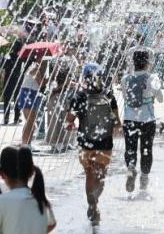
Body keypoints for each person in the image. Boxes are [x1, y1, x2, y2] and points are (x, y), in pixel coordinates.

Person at [66, 63, 121, 227]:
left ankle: (92, 203)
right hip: (105, 143)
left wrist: (71, 125)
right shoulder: (109, 95)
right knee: (101, 175)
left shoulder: (79, 97)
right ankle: (95, 202)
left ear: (84, 77)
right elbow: (117, 122)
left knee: (90, 174)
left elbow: (69, 120)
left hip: (85, 144)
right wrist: (114, 127)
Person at [0, 146, 56, 234]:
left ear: (2, 175)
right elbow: (51, 224)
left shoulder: (2, 201)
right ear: (30, 173)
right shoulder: (41, 199)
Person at [121, 50, 163, 193]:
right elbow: (160, 98)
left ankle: (131, 169)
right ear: (147, 62)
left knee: (130, 149)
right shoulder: (152, 77)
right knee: (146, 149)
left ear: (134, 62)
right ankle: (144, 178)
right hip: (147, 119)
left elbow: (125, 97)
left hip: (129, 119)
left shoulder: (125, 78)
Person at [17, 53, 46, 145]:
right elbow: (41, 83)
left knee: (31, 121)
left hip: (30, 93)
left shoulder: (34, 67)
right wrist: (51, 77)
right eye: (42, 58)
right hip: (28, 93)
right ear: (37, 58)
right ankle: (25, 144)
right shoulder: (35, 68)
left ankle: (27, 143)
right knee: (30, 121)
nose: (44, 61)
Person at [2, 41, 23, 125]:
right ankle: (16, 118)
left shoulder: (7, 56)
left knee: (7, 99)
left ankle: (6, 118)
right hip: (17, 80)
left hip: (8, 80)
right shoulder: (20, 57)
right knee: (17, 99)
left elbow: (3, 68)